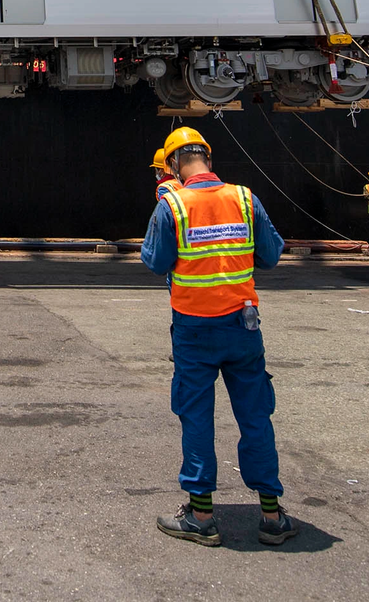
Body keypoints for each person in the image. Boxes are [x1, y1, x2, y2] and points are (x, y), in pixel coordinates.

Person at [141, 126, 297, 548]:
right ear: (208, 157)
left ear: (173, 165)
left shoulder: (171, 205)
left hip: (193, 330)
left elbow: (156, 262)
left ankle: (202, 516)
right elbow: (270, 254)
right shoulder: (245, 198)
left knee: (196, 418)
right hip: (243, 328)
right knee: (255, 416)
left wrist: (165, 211)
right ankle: (272, 516)